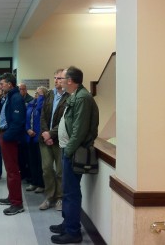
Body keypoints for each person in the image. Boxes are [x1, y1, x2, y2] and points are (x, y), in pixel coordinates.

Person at [50, 67, 99, 244]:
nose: (59, 81)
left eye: (61, 78)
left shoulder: (83, 98)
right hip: (68, 149)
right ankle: (67, 223)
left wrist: (68, 152)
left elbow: (79, 131)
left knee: (71, 192)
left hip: (73, 152)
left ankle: (73, 231)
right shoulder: (75, 96)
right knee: (67, 190)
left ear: (69, 81)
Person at [0, 73, 26, 216]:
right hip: (5, 134)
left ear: (10, 84)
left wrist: (7, 136)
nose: (0, 86)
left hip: (9, 137)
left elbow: (18, 121)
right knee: (9, 169)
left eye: (2, 83)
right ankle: (12, 197)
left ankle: (17, 203)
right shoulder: (7, 97)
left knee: (13, 170)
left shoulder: (16, 98)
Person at [39, 70, 70, 211]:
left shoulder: (70, 97)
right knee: (46, 169)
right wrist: (46, 134)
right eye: (55, 78)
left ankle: (60, 198)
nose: (56, 80)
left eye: (59, 78)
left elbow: (66, 120)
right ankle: (49, 196)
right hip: (45, 139)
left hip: (60, 139)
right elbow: (43, 116)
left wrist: (51, 134)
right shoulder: (49, 94)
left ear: (66, 79)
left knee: (59, 171)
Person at [25, 86, 48, 194]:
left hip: (39, 137)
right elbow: (26, 118)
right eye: (36, 93)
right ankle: (34, 182)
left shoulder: (43, 104)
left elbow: (40, 112)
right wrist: (28, 129)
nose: (36, 95)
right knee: (31, 161)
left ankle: (41, 184)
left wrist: (41, 98)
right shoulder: (31, 104)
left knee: (40, 163)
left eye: (39, 94)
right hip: (30, 137)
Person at [17, 82, 33, 182]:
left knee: (28, 155)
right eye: (20, 89)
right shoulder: (17, 99)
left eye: (23, 89)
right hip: (19, 131)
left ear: (26, 90)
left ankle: (28, 175)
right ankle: (22, 173)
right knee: (20, 155)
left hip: (27, 131)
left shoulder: (31, 100)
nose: (21, 91)